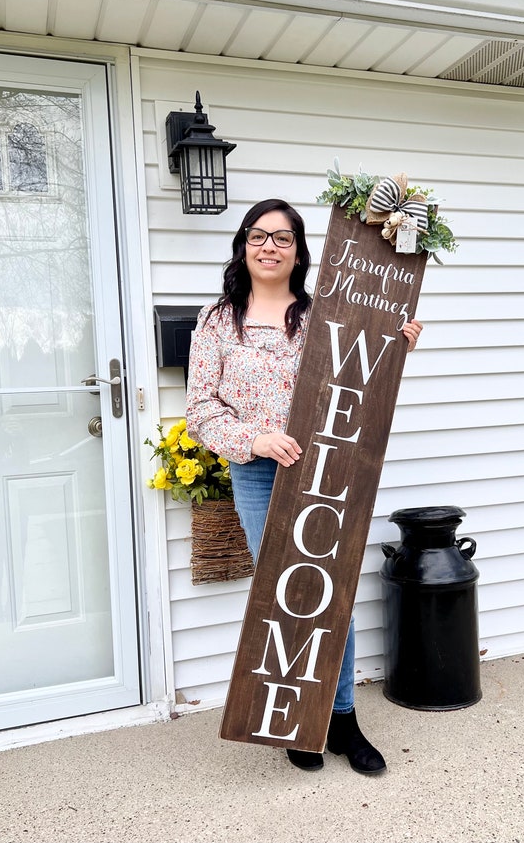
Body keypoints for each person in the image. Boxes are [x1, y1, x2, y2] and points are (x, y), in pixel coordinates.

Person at [185, 198, 422, 775]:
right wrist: (256, 439)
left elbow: (356, 375)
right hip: (261, 474)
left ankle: (341, 719)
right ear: (243, 245)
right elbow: (200, 412)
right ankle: (298, 717)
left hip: (329, 470)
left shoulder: (324, 316)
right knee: (291, 594)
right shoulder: (217, 322)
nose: (270, 246)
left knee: (330, 589)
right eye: (260, 236)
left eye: (283, 238)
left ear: (299, 252)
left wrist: (395, 347)